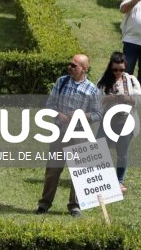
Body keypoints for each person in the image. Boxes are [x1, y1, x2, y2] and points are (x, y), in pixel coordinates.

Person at [35, 54, 101, 217]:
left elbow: (99, 114)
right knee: (52, 170)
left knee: (78, 171)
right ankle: (44, 204)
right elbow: (49, 105)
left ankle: (75, 206)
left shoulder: (92, 90)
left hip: (80, 133)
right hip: (60, 132)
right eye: (69, 64)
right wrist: (58, 114)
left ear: (84, 69)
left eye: (74, 66)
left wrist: (84, 116)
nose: (69, 67)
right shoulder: (62, 81)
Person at [96, 52, 141, 192]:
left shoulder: (132, 80)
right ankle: (99, 178)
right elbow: (95, 102)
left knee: (122, 152)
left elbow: (140, 100)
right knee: (99, 148)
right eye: (115, 69)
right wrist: (108, 99)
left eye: (121, 69)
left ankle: (119, 181)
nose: (118, 72)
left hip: (126, 119)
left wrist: (128, 99)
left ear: (125, 67)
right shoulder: (102, 81)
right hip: (108, 119)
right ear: (110, 67)